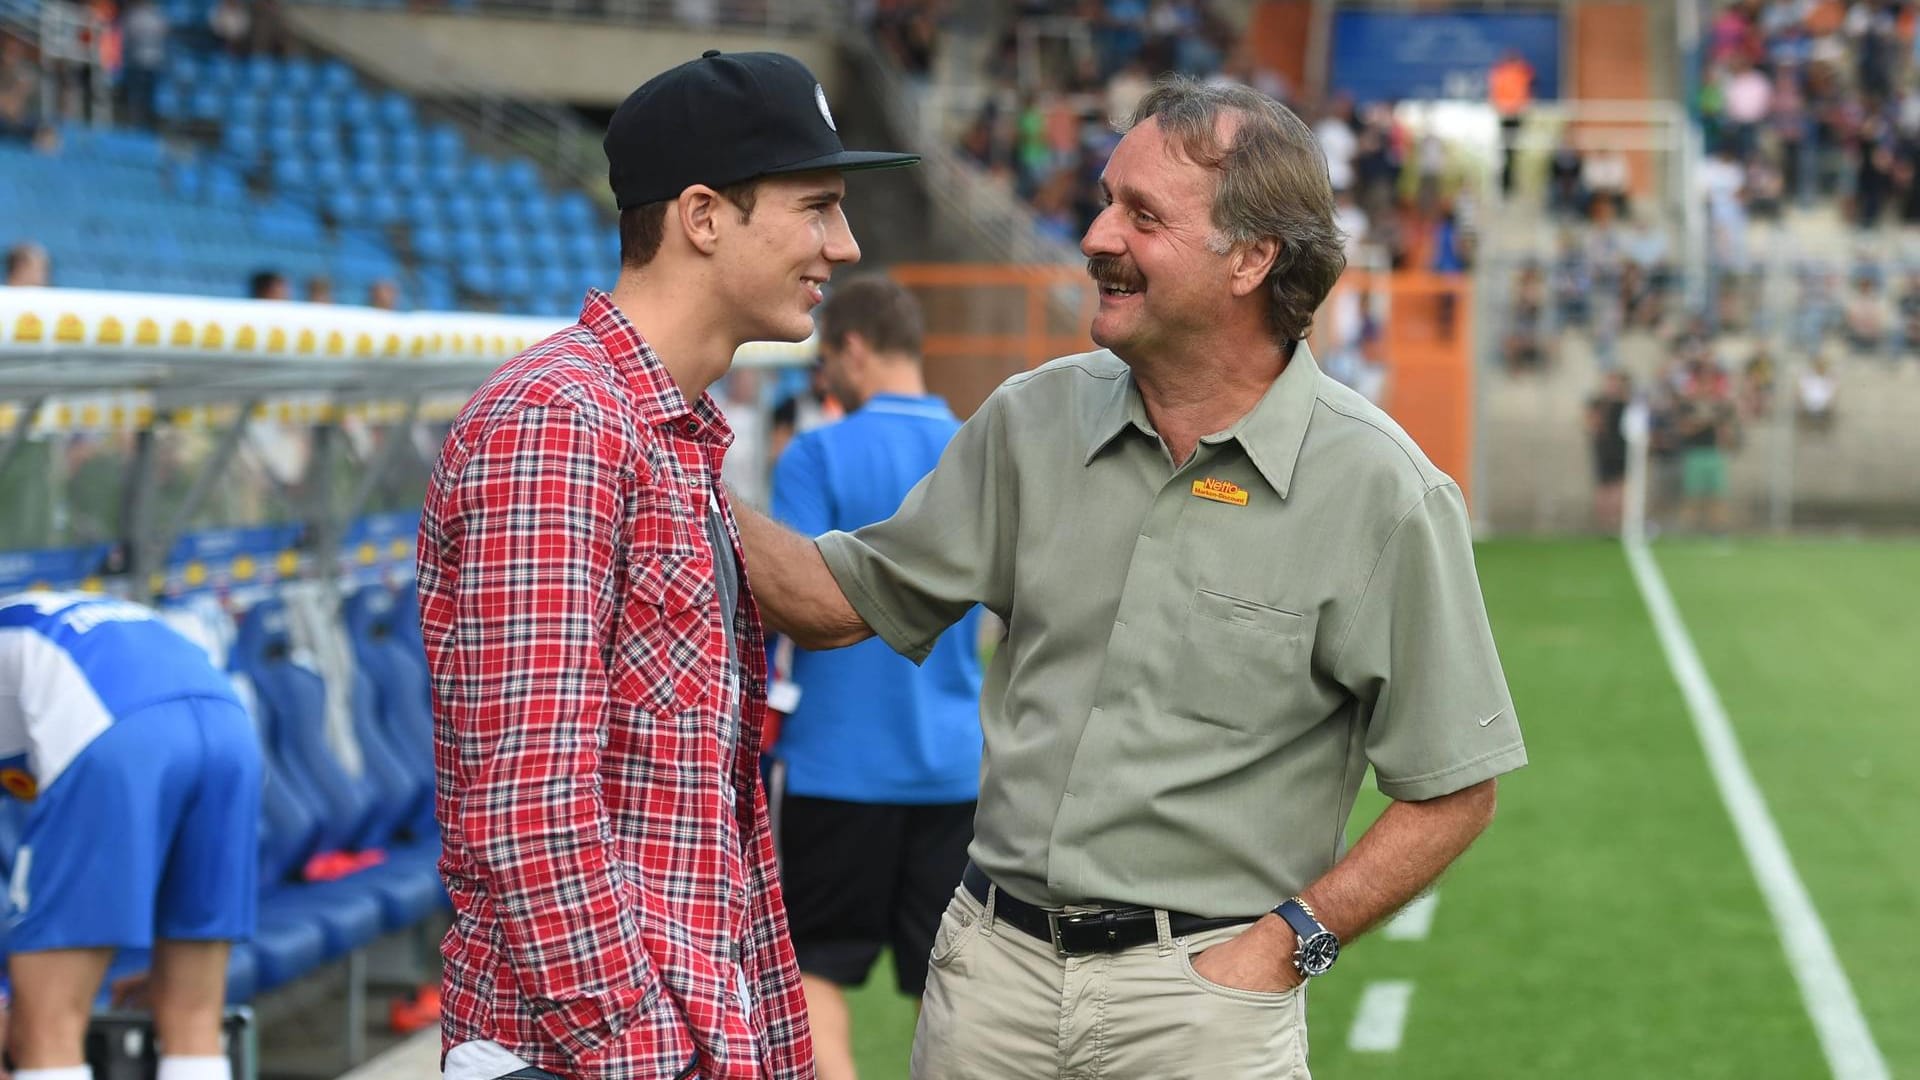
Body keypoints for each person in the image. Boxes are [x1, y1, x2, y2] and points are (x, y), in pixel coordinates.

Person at [737, 76, 1526, 1078]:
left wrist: (1285, 945)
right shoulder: (1031, 422)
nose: (1098, 235)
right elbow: (834, 599)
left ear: (1251, 258)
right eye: (1107, 199)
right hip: (992, 982)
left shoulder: (1385, 492)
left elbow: (1456, 789)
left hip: (1204, 1008)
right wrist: (661, 461)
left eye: (1142, 214)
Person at [415, 49, 917, 1080]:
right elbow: (532, 809)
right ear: (702, 216)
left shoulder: (658, 430)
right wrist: (646, 1058)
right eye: (817, 206)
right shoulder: (559, 425)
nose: (845, 244)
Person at [766, 277, 983, 1080]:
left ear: (854, 347)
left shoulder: (819, 451)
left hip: (836, 763)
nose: (825, 379)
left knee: (814, 968)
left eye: (826, 361)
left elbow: (790, 598)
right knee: (952, 982)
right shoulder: (974, 447)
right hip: (954, 766)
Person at [0, 591, 261, 1080]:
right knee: (191, 1017)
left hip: (110, 726)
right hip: (229, 725)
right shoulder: (41, 614)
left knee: (46, 1028)